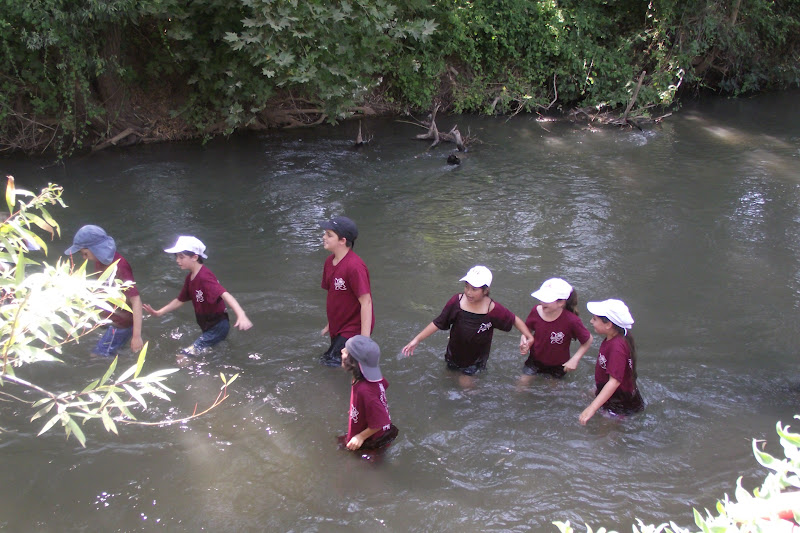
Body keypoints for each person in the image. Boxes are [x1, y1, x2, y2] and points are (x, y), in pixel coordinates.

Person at [402, 265, 534, 386]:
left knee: (465, 384)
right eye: (466, 286)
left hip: (475, 360)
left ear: (485, 291)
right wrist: (417, 339)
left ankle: (477, 397)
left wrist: (528, 337)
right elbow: (438, 322)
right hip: (453, 355)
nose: (469, 292)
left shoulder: (492, 309)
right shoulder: (457, 302)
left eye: (474, 289)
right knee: (448, 379)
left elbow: (514, 320)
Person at [143, 236, 252, 356]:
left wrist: (241, 315)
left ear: (195, 257)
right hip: (208, 325)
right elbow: (180, 300)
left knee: (184, 355)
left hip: (218, 326)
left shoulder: (205, 277)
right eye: (177, 257)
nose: (177, 260)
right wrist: (159, 313)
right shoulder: (190, 278)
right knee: (212, 349)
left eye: (181, 257)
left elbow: (225, 294)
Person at [64, 225, 143, 356]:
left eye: (85, 253)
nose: (84, 258)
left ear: (96, 249)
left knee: (97, 356)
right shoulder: (100, 261)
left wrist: (137, 336)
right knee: (111, 347)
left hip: (121, 324)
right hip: (111, 317)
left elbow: (136, 300)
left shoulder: (119, 266)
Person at [318, 216, 374, 367]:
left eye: (329, 235)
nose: (324, 237)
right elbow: (335, 296)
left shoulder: (355, 267)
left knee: (329, 363)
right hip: (339, 324)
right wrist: (330, 324)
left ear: (342, 241)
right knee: (344, 365)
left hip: (352, 327)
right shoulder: (329, 262)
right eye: (325, 234)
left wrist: (364, 340)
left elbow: (366, 302)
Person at [579, 298, 644, 425]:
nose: (591, 321)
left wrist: (591, 409)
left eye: (595, 319)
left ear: (608, 324)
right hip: (619, 396)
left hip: (619, 404)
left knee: (605, 434)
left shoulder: (616, 348)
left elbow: (614, 382)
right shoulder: (617, 338)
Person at [518, 278, 593, 383]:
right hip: (534, 361)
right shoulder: (536, 311)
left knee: (552, 394)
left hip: (558, 366)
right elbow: (527, 330)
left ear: (561, 302)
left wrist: (574, 359)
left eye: (547, 300)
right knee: (520, 386)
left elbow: (588, 340)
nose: (542, 302)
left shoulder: (572, 320)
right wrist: (524, 339)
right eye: (541, 298)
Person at [339, 335, 398, 452]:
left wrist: (360, 437)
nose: (342, 351)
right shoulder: (370, 379)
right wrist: (360, 408)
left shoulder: (365, 390)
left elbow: (381, 421)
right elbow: (384, 385)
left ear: (353, 362)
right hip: (376, 429)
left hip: (374, 440)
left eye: (346, 351)